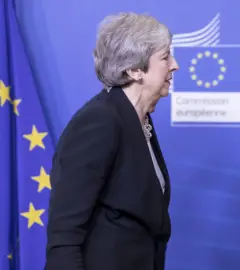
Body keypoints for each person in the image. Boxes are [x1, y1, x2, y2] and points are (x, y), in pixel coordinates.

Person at [44, 12, 179, 270]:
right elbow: (64, 233)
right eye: (165, 57)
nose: (174, 65)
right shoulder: (99, 122)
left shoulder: (139, 119)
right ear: (135, 69)